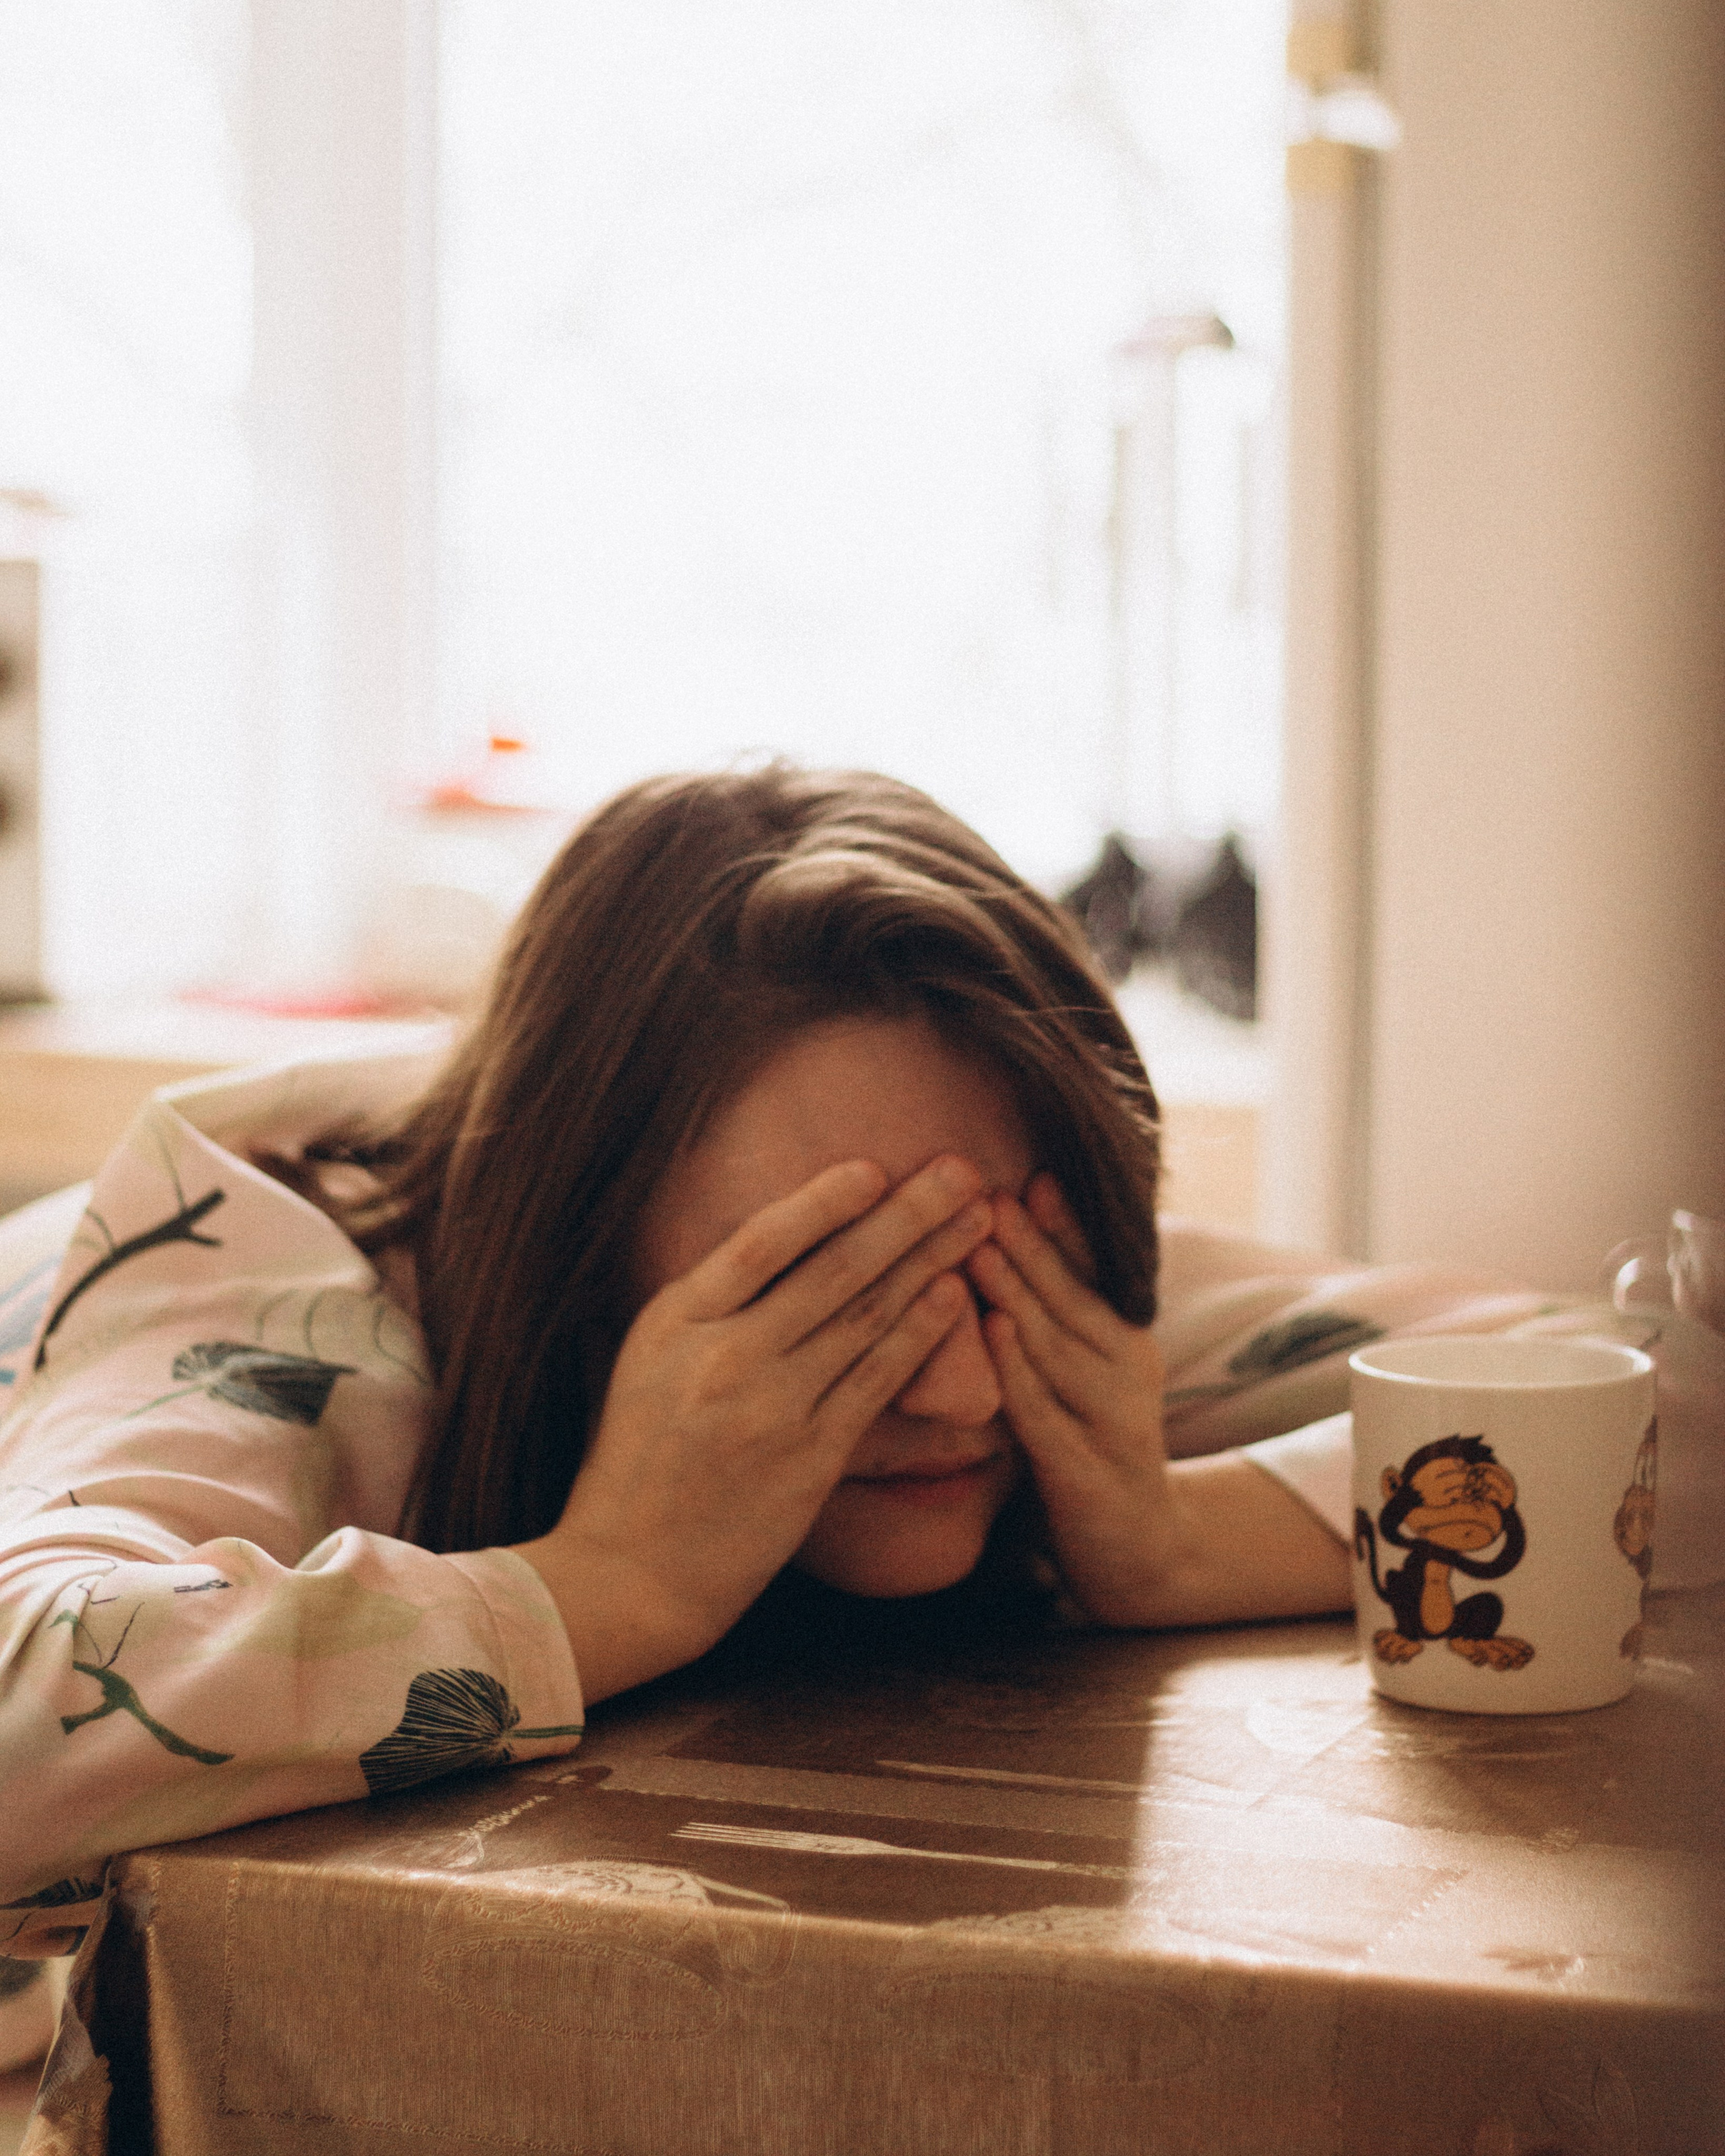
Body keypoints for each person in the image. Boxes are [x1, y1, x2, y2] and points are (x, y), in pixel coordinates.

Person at [0, 765, 1558, 1962]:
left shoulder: (1039, 1315)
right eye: (823, 1298)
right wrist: (605, 1583)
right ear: (573, 1250)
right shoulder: (281, 1293)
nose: (950, 1388)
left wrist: (1170, 1536)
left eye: (984, 1268)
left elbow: (1644, 1390)